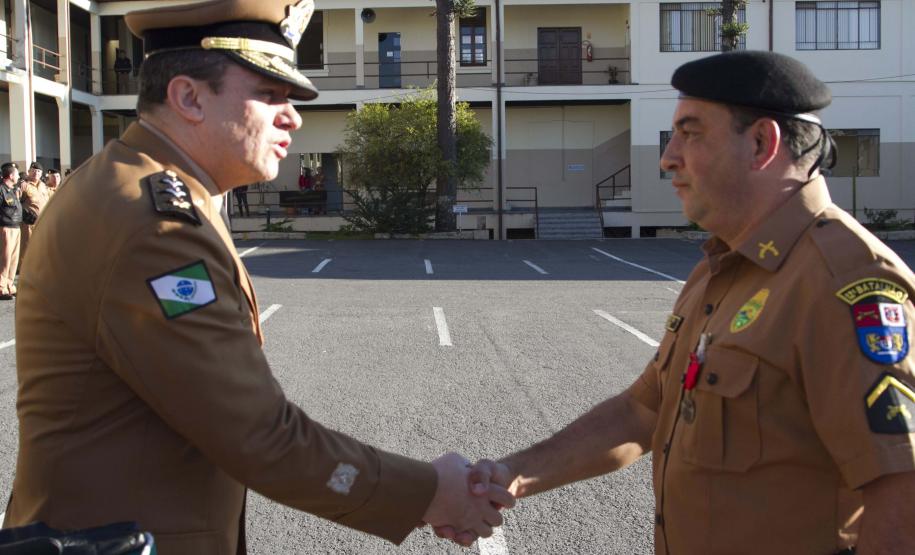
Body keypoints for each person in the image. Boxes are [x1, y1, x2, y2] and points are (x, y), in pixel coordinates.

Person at [5, 1, 513, 553]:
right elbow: (258, 435)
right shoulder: (153, 226)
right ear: (188, 97)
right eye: (270, 94)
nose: (292, 115)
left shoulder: (140, 189)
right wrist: (431, 492)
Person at [451, 51, 915, 553]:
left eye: (690, 133)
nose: (668, 157)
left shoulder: (845, 279)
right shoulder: (721, 266)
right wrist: (512, 475)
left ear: (762, 143)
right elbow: (642, 411)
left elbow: (901, 492)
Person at [18, 161, 50, 263]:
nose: (36, 173)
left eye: (39, 171)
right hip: (28, 223)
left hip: (43, 222)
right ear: (29, 171)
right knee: (26, 247)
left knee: (41, 247)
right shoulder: (24, 185)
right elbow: (16, 203)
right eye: (34, 171)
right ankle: (23, 271)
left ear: (41, 174)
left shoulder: (44, 186)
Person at [0, 162, 21, 300]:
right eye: (17, 174)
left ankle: (9, 286)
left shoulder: (12, 190)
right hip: (5, 227)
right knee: (4, 259)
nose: (19, 176)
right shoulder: (1, 189)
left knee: (13, 260)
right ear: (11, 175)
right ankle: (1, 288)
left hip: (15, 227)